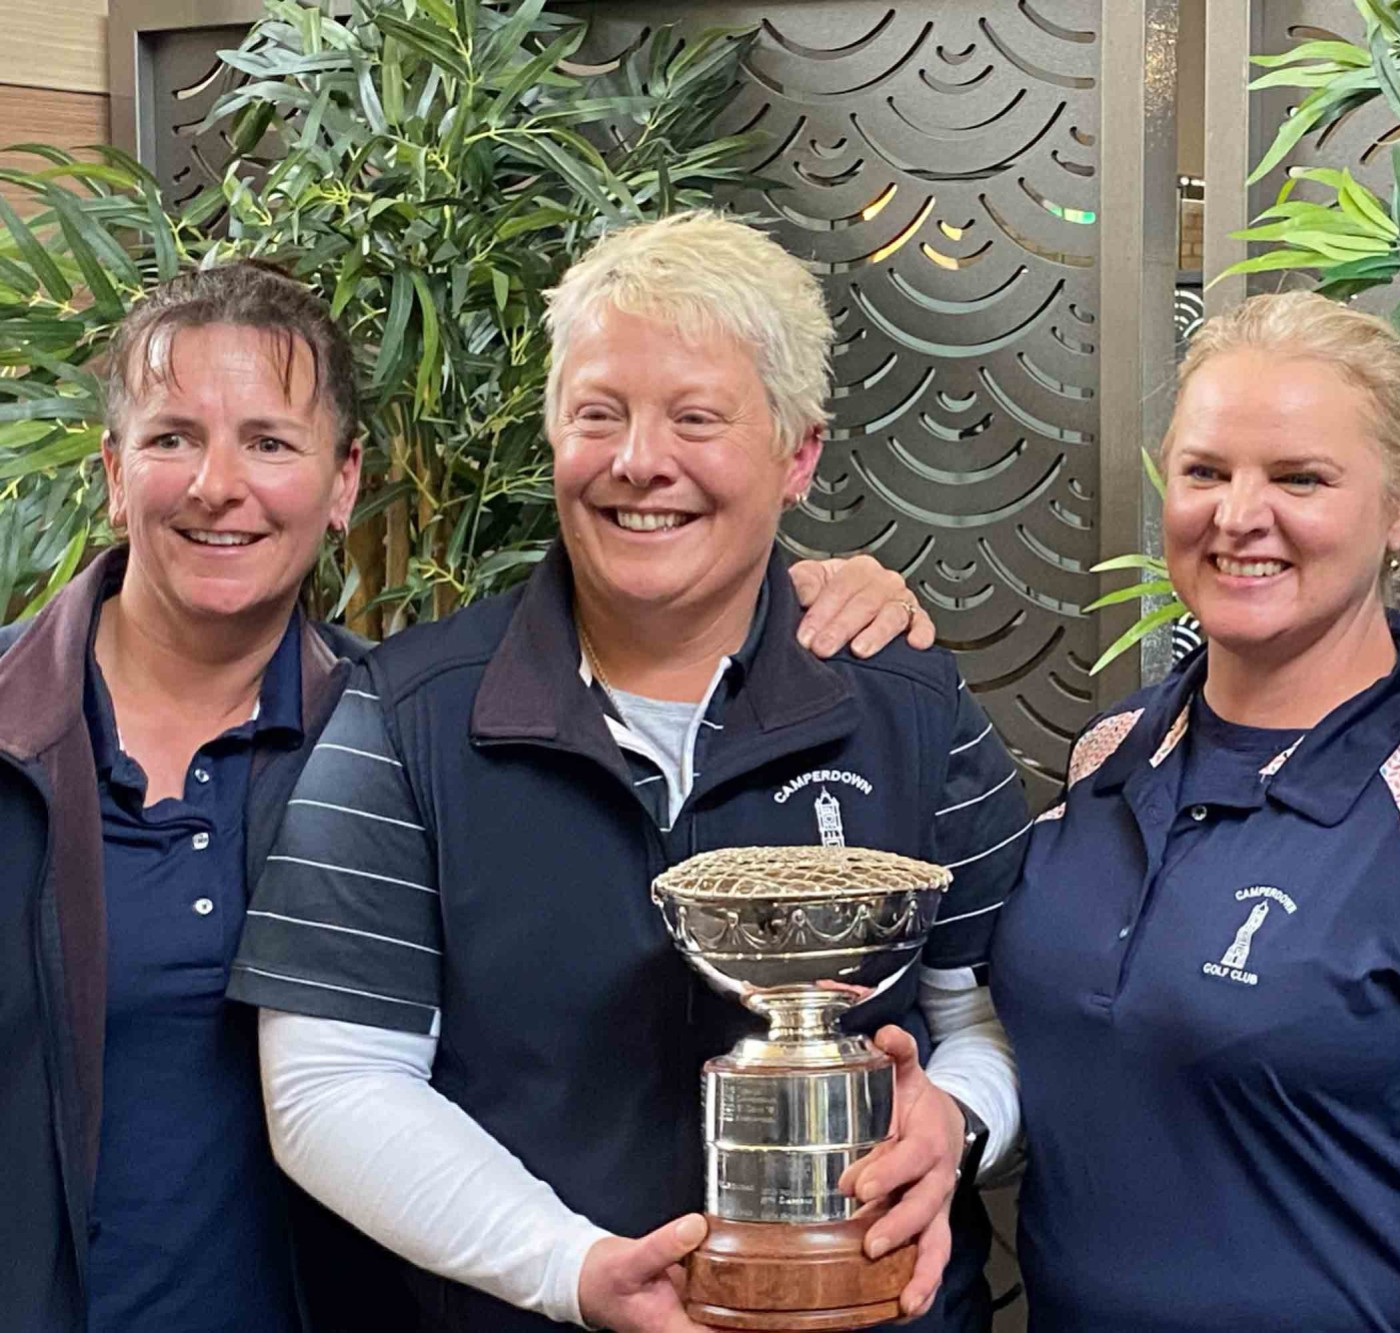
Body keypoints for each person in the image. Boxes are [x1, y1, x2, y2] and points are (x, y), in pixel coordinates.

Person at [0, 261, 943, 1333]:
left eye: (269, 441)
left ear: (343, 479)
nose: (220, 484)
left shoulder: (388, 728)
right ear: (114, 473)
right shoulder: (29, 734)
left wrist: (784, 591)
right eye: (172, 438)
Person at [227, 211, 1029, 1333]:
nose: (638, 460)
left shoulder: (911, 703)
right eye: (597, 414)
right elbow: (331, 1085)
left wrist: (953, 1117)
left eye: (695, 417)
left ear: (797, 453)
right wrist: (573, 1269)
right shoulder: (406, 718)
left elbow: (1001, 1020)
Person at [988, 291, 1400, 1331]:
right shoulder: (1107, 757)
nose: (1237, 515)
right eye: (1204, 472)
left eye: (1298, 478)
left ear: (1399, 504)